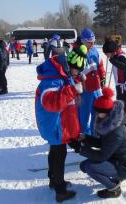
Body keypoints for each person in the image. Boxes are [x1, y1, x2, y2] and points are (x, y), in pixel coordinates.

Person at [35, 45, 87, 202]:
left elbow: (66, 85)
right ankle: (60, 190)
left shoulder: (63, 73)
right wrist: (72, 90)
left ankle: (55, 181)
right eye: (77, 70)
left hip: (59, 122)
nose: (76, 73)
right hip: (54, 123)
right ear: (70, 65)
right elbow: (51, 103)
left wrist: (76, 80)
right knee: (59, 154)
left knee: (56, 151)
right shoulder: (52, 79)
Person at [78, 87, 126, 199]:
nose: (96, 114)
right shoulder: (108, 123)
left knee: (90, 167)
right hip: (114, 158)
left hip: (123, 166)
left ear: (106, 113)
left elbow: (102, 155)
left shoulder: (116, 131)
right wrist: (84, 138)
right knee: (83, 166)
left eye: (98, 112)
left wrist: (80, 149)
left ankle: (114, 188)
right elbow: (102, 143)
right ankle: (111, 174)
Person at [102, 39, 126, 136]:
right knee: (123, 113)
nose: (106, 56)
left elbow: (124, 66)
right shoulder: (118, 55)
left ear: (111, 51)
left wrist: (113, 60)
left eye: (106, 53)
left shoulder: (121, 56)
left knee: (124, 114)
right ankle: (125, 136)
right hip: (122, 89)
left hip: (125, 89)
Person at [78, 28, 106, 135]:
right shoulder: (78, 53)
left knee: (97, 112)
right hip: (86, 89)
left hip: (96, 87)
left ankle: (95, 135)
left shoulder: (94, 51)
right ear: (83, 42)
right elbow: (74, 73)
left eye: (93, 41)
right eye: (90, 42)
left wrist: (103, 76)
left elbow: (100, 65)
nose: (92, 43)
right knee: (84, 115)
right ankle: (85, 137)